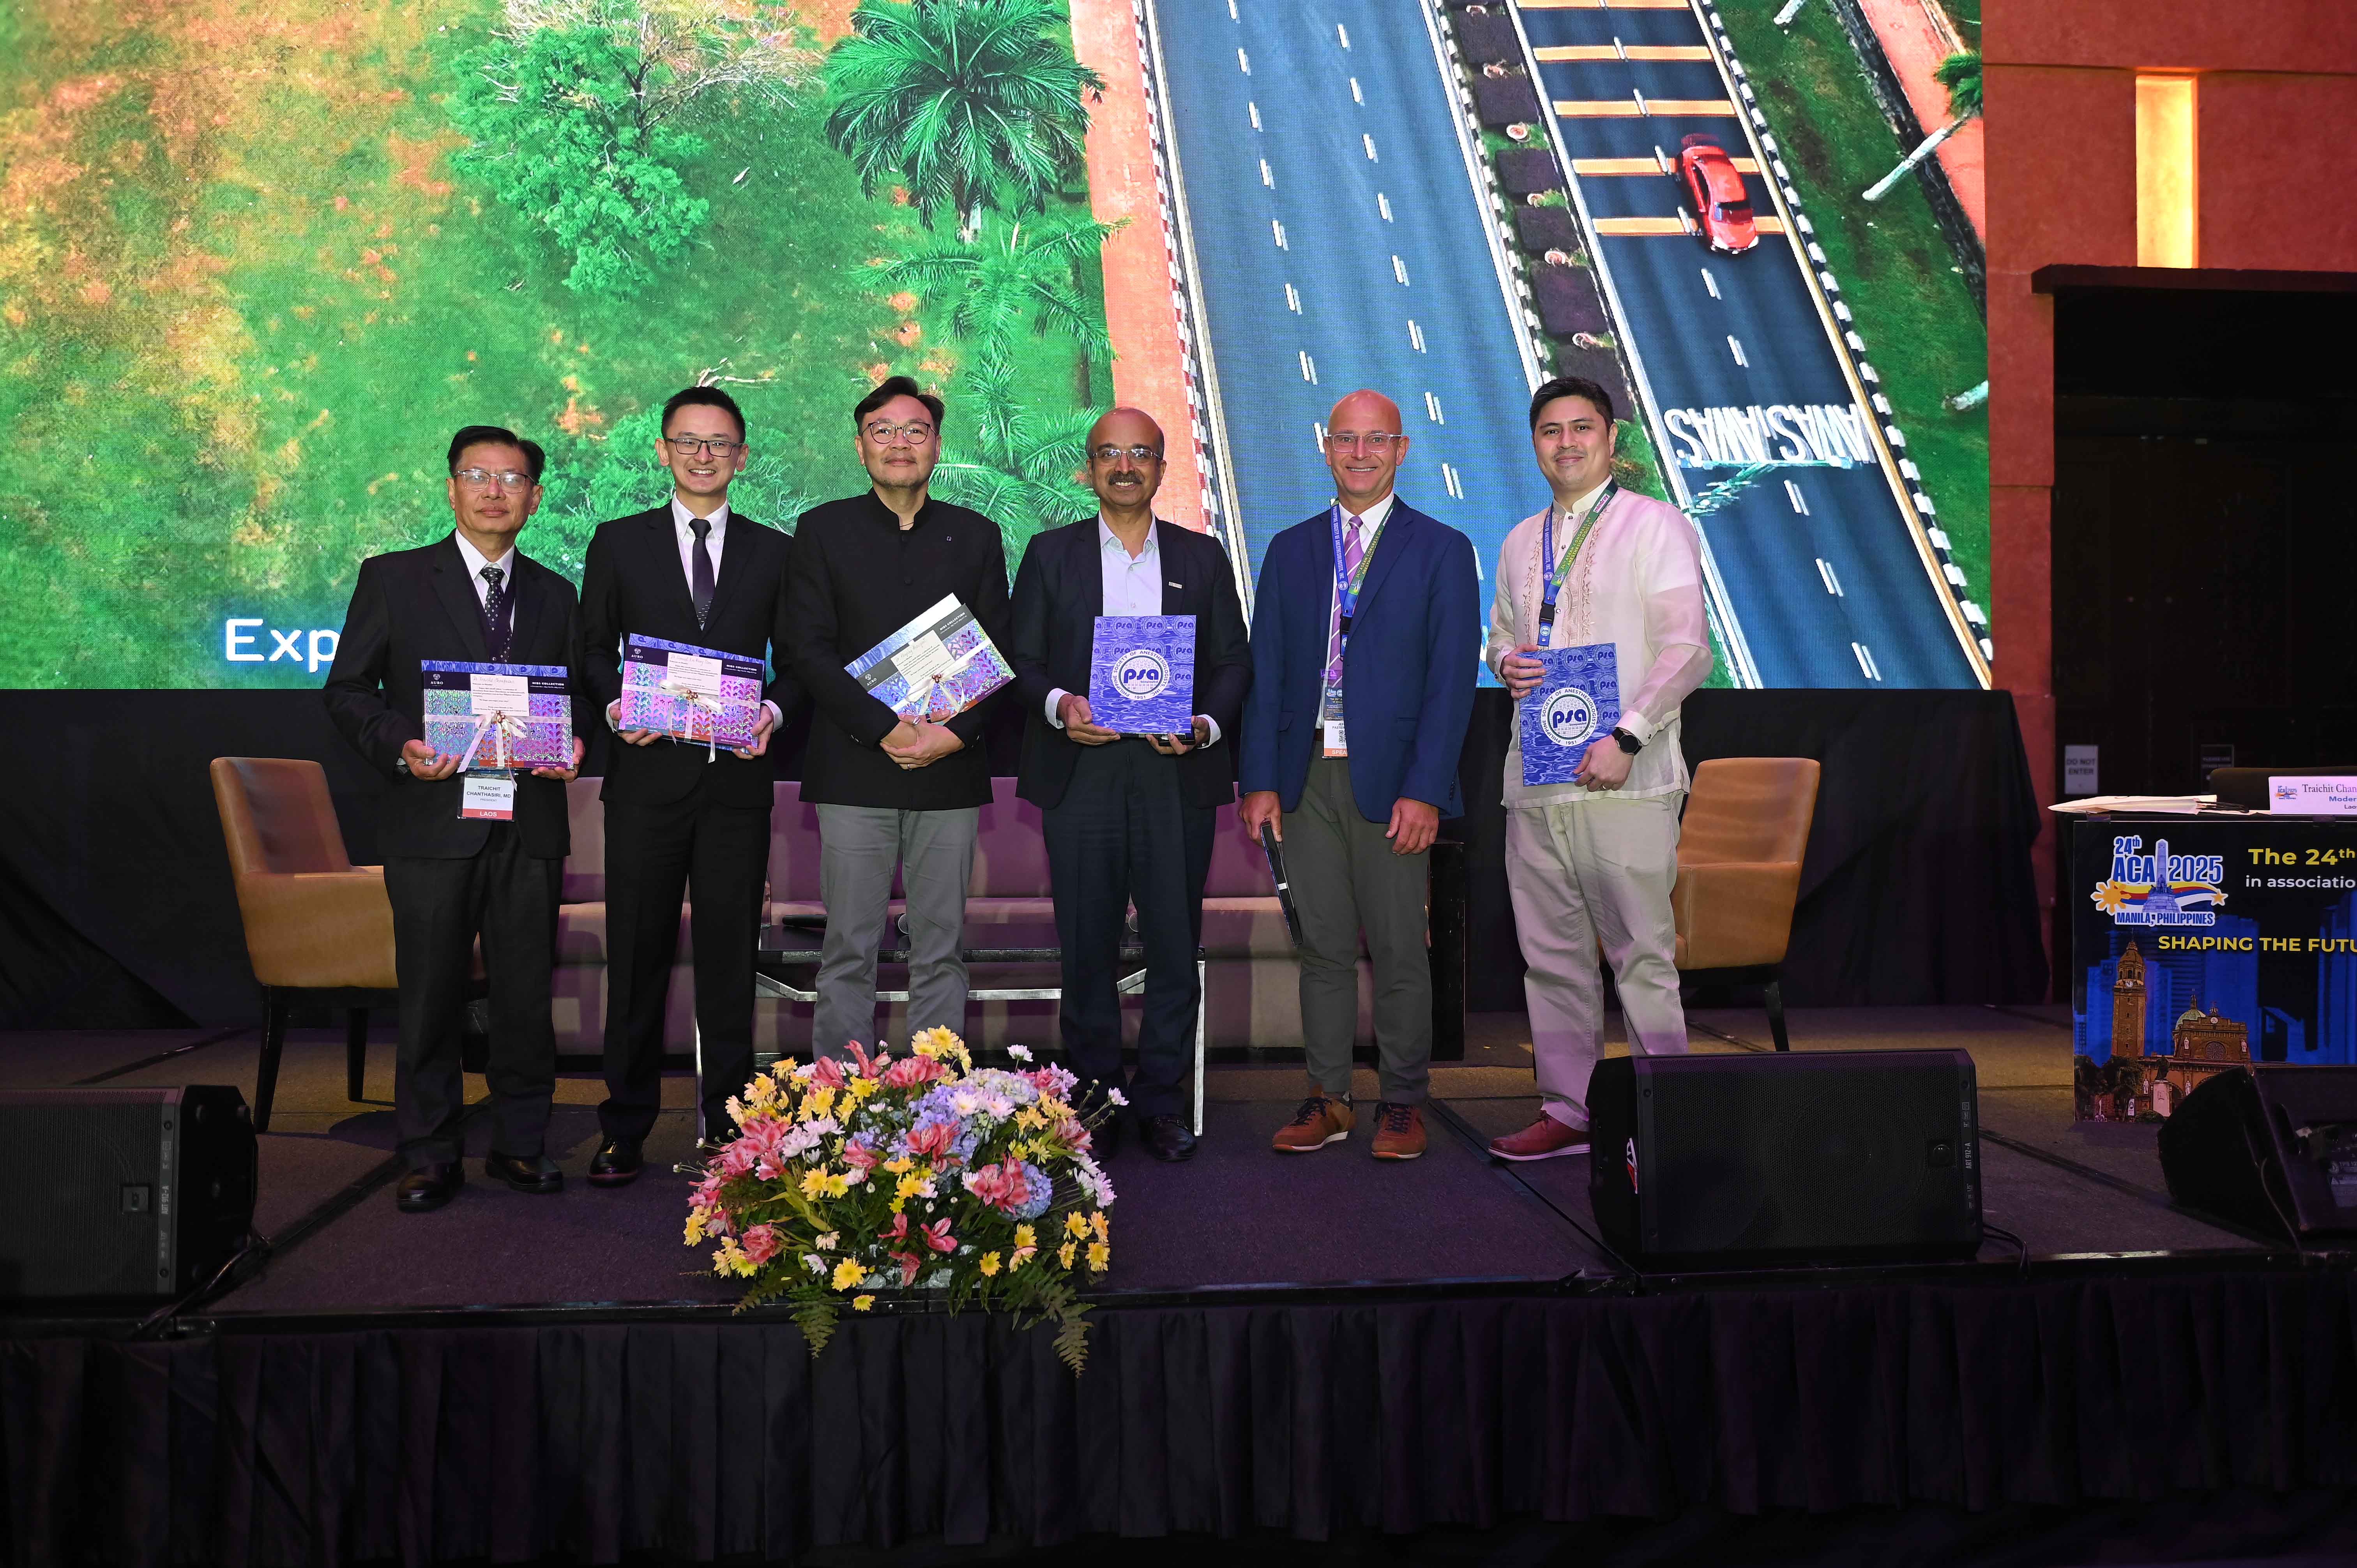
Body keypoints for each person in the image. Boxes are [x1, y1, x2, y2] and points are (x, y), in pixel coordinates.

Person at [322, 426, 585, 1212]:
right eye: (478, 475)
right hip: (433, 816)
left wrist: (578, 740)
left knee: (524, 997)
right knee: (431, 993)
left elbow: (574, 695)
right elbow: (348, 690)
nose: (494, 491)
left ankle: (521, 1142)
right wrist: (400, 746)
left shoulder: (556, 593)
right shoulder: (395, 578)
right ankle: (430, 1151)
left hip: (529, 819)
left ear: (535, 498)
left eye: (512, 479)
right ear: (451, 489)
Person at [1238, 390, 1479, 1161]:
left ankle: (1403, 1101)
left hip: (1395, 781)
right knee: (1324, 949)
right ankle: (1330, 1096)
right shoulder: (1290, 550)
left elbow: (1451, 683)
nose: (1361, 453)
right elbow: (1267, 672)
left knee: (1402, 950)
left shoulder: (1442, 549)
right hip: (1306, 776)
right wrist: (1259, 779)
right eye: (1347, 439)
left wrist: (1427, 788)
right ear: (1327, 447)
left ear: (1402, 450)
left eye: (1377, 440)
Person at [575, 386, 804, 1188]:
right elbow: (592, 649)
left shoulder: (776, 551)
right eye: (688, 441)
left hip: (737, 785)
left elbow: (798, 662)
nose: (703, 456)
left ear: (742, 456)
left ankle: (730, 1129)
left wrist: (773, 710)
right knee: (636, 962)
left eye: (719, 443)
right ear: (664, 450)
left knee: (729, 967)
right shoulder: (618, 541)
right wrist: (616, 706)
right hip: (645, 783)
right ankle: (624, 1127)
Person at [1008, 409, 1251, 1162]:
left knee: (1174, 945)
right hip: (1082, 769)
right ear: (1089, 469)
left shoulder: (1202, 556)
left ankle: (1162, 1102)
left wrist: (1205, 725)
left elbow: (1234, 662)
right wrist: (1061, 707)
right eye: (1109, 454)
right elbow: (1022, 661)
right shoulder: (1050, 555)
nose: (1124, 466)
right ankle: (1095, 1101)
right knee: (1088, 947)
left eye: (1140, 453)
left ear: (1161, 468)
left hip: (1174, 770)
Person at [1484, 376, 1712, 1160]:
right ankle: (1570, 1110)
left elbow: (1689, 649)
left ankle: (1669, 1119)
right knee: (1550, 959)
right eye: (1551, 431)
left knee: (1641, 956)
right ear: (1535, 443)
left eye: (1583, 428)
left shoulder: (1656, 525)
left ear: (1612, 439)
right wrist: (1505, 660)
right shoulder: (1520, 541)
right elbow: (1501, 634)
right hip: (1538, 778)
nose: (1567, 443)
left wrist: (1627, 735)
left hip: (1627, 776)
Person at [784, 376, 1011, 1058]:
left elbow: (999, 652)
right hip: (854, 766)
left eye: (915, 430)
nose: (899, 443)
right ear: (860, 448)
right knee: (848, 948)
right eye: (882, 431)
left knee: (940, 946)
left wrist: (953, 735)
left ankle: (936, 1100)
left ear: (937, 445)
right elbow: (807, 648)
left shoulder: (977, 535)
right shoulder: (822, 530)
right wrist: (884, 728)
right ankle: (840, 1103)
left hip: (949, 766)